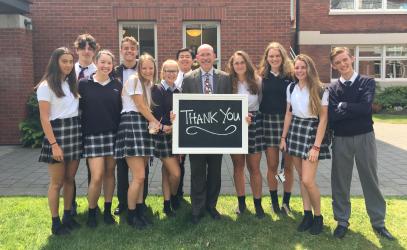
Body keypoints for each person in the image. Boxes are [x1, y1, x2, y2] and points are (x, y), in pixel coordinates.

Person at [328, 47, 395, 240]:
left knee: (370, 179)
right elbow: (333, 117)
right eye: (338, 62)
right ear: (333, 66)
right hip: (341, 139)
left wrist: (344, 106)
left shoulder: (367, 82)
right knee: (340, 180)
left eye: (344, 60)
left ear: (352, 58)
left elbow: (366, 108)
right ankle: (342, 221)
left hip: (365, 137)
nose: (342, 64)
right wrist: (351, 109)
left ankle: (378, 223)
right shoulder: (332, 89)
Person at [279, 54, 330, 235]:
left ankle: (318, 217)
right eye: (297, 67)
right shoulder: (290, 87)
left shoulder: (321, 89)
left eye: (303, 67)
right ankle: (307, 214)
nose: (299, 70)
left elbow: (323, 119)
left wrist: (316, 146)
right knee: (302, 179)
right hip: (294, 132)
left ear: (309, 68)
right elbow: (288, 114)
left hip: (312, 133)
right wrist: (283, 138)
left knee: (308, 180)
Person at [181, 44, 232, 224]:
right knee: (197, 172)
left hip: (217, 135)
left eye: (208, 54)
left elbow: (230, 106)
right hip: (196, 135)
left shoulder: (225, 78)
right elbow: (183, 107)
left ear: (215, 56)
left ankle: (211, 205)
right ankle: (197, 208)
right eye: (202, 55)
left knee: (215, 173)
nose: (205, 58)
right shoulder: (188, 79)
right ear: (197, 58)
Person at [37, 47, 82, 235]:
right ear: (55, 62)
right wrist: (54, 144)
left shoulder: (71, 84)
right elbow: (44, 118)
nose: (68, 65)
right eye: (64, 61)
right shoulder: (46, 86)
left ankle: (67, 216)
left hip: (74, 132)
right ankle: (55, 223)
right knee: (57, 183)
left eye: (71, 62)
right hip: (57, 135)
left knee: (70, 179)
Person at [115, 53, 160, 229]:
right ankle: (131, 215)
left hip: (142, 125)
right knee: (139, 175)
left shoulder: (148, 84)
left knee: (141, 176)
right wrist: (155, 122)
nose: (148, 71)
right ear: (139, 68)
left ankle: (140, 211)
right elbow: (140, 106)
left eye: (151, 67)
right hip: (132, 123)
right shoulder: (134, 80)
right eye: (144, 67)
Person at [78, 50, 122, 228]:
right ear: (96, 63)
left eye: (109, 63)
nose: (105, 66)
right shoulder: (83, 84)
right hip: (92, 136)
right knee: (96, 176)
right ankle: (91, 212)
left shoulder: (117, 85)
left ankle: (107, 210)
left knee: (110, 174)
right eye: (102, 62)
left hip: (113, 134)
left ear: (112, 65)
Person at [112, 36, 150, 216]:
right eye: (125, 48)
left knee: (141, 171)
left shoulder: (146, 76)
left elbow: (147, 104)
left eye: (132, 48)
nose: (129, 51)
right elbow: (140, 105)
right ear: (121, 50)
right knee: (125, 170)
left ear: (137, 51)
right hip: (126, 122)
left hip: (142, 123)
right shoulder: (114, 71)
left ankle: (140, 205)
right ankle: (125, 205)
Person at [226, 51, 264, 218]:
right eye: (236, 63)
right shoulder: (228, 83)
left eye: (242, 62)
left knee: (254, 168)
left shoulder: (258, 81)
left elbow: (262, 104)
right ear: (232, 66)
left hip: (254, 123)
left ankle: (258, 204)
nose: (239, 65)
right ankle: (241, 203)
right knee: (238, 166)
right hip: (234, 125)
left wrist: (252, 117)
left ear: (247, 64)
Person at [258, 42, 295, 214]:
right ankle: (274, 203)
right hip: (268, 122)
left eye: (277, 56)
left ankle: (286, 202)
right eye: (271, 56)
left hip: (288, 123)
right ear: (267, 58)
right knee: (272, 165)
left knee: (288, 166)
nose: (274, 59)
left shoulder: (292, 75)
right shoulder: (260, 77)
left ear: (282, 57)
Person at [71, 33, 99, 216]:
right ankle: (70, 204)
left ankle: (93, 206)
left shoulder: (101, 71)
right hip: (72, 124)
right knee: (70, 169)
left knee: (93, 169)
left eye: (90, 48)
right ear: (77, 49)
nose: (87, 51)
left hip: (91, 125)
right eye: (83, 47)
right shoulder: (67, 70)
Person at [151, 59, 182, 217]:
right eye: (168, 71)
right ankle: (174, 197)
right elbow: (156, 113)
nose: (171, 74)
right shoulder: (157, 89)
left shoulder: (178, 91)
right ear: (162, 72)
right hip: (162, 136)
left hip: (176, 135)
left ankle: (167, 203)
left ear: (178, 73)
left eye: (174, 71)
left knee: (167, 172)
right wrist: (166, 124)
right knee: (176, 173)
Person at [173, 48, 194, 199]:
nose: (185, 59)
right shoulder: (172, 77)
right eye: (182, 57)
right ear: (177, 60)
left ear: (193, 60)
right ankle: (176, 194)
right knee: (177, 161)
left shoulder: (197, 77)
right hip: (174, 125)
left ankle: (197, 195)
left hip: (194, 124)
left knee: (195, 162)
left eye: (188, 57)